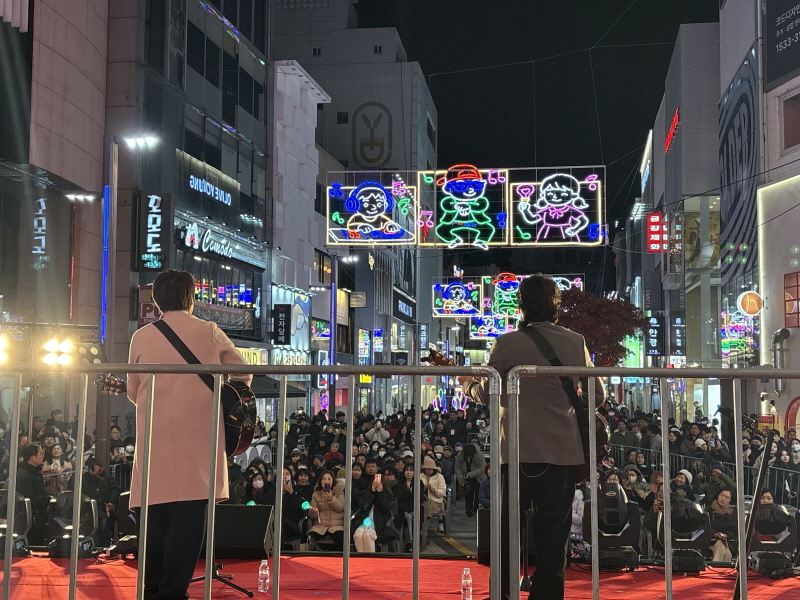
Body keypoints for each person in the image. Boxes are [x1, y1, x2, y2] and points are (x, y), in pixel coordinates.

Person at [459, 275, 605, 600]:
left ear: (521, 305)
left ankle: (504, 593)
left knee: (507, 532)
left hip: (516, 451)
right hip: (562, 453)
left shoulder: (505, 343)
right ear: (556, 305)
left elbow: (488, 393)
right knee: (554, 536)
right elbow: (597, 395)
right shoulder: (575, 341)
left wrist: (467, 385)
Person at [127, 269, 252, 600]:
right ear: (191, 298)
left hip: (154, 441)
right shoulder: (208, 331)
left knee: (153, 520)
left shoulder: (141, 337)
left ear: (156, 301)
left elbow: (132, 390)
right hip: (197, 442)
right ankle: (173, 592)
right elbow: (243, 373)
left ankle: (151, 590)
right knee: (188, 521)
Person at [70, 457, 120, 546]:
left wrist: (112, 501)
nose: (91, 469)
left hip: (103, 506)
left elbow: (115, 489)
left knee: (105, 519)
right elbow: (71, 487)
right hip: (87, 507)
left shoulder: (106, 477)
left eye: (93, 466)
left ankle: (106, 543)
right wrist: (77, 474)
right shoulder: (84, 478)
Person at [16, 443, 52, 545]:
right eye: (40, 454)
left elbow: (40, 491)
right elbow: (28, 498)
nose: (43, 456)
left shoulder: (36, 471)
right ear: (32, 457)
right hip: (32, 517)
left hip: (40, 514)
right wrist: (47, 500)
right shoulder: (24, 475)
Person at [308, 470, 345, 550]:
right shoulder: (316, 494)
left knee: (339, 537)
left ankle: (338, 556)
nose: (326, 481)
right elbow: (312, 515)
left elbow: (341, 508)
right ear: (320, 481)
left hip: (336, 525)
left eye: (329, 479)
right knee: (312, 537)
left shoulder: (339, 492)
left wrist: (331, 498)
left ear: (333, 481)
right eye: (324, 479)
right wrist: (313, 511)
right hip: (321, 525)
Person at [455, 442, 486, 517]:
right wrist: (461, 480)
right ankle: (468, 508)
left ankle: (476, 509)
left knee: (478, 492)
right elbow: (457, 468)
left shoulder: (479, 455)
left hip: (478, 477)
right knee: (468, 492)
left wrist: (470, 474)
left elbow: (482, 468)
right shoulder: (460, 455)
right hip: (465, 476)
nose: (469, 458)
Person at [708, 489, 736, 562]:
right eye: (722, 495)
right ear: (718, 495)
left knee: (722, 546)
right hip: (710, 542)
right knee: (726, 553)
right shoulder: (709, 510)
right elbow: (705, 528)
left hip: (729, 542)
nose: (723, 499)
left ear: (730, 500)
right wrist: (716, 534)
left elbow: (735, 530)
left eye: (727, 497)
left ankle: (715, 567)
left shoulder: (734, 512)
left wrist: (727, 535)